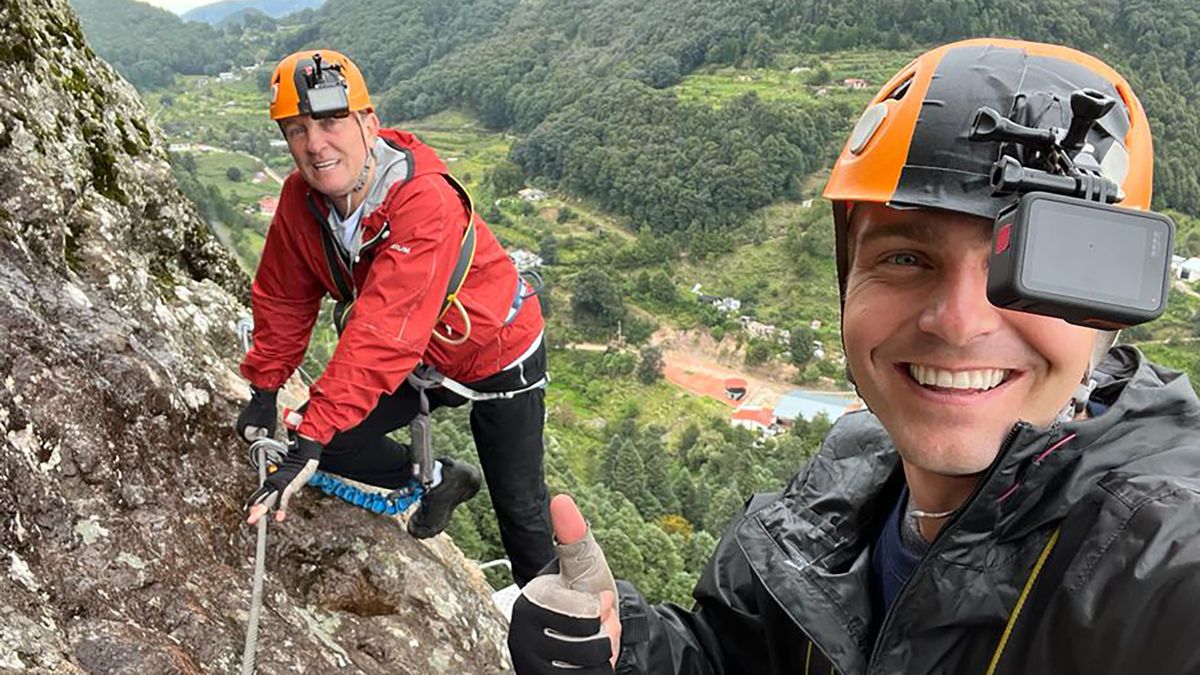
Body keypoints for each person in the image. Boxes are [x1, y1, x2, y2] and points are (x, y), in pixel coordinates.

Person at [506, 38, 1200, 673]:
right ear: (847, 283)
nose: (958, 322)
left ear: (1103, 310)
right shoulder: (843, 486)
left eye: (1020, 268)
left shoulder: (1155, 566)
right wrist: (628, 650)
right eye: (905, 257)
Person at [236, 49, 554, 586]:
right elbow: (285, 296)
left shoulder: (423, 200)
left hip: (496, 353)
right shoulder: (302, 200)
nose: (315, 145)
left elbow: (384, 331)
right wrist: (265, 391)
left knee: (520, 509)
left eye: (332, 121)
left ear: (369, 122)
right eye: (296, 129)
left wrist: (308, 436)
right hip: (420, 356)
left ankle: (556, 642)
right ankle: (439, 478)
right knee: (331, 440)